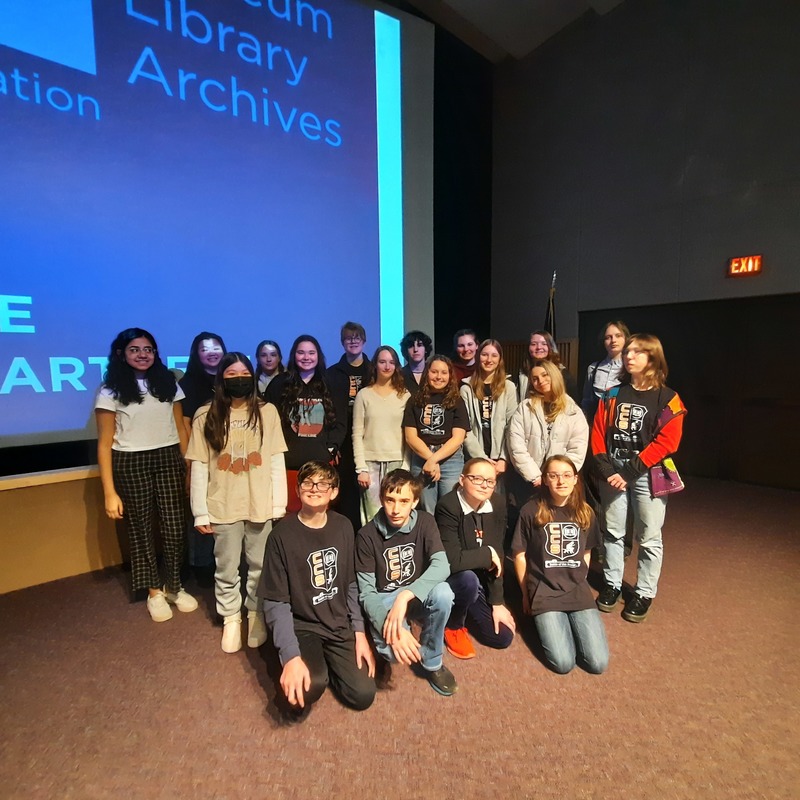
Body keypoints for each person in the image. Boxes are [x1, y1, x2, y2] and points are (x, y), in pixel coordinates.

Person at [186, 352, 288, 653]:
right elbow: (201, 466)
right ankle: (231, 617)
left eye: (244, 373)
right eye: (231, 375)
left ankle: (255, 614)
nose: (239, 379)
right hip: (222, 503)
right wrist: (199, 511)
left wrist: (278, 504)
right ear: (221, 379)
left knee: (259, 565)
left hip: (260, 502)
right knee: (226, 566)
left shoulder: (267, 412)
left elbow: (274, 460)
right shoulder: (206, 415)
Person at [94, 327, 197, 622]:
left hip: (168, 457)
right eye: (135, 350)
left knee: (176, 527)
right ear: (121, 354)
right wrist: (109, 492)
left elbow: (181, 429)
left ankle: (173, 586)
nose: (142, 355)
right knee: (141, 529)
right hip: (129, 462)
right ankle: (154, 592)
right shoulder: (109, 390)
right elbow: (104, 443)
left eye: (148, 349)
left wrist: (189, 468)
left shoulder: (168, 384)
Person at [260, 461, 376, 716]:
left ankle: (327, 665)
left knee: (363, 694)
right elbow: (275, 602)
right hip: (303, 626)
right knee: (307, 690)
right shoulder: (281, 535)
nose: (315, 488)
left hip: (337, 622)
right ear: (298, 488)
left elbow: (352, 584)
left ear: (334, 492)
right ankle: (313, 666)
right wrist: (290, 655)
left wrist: (359, 632)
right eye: (308, 483)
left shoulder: (344, 526)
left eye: (323, 483)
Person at [592, 334, 686, 623]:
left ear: (653, 359)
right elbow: (597, 432)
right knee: (613, 531)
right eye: (628, 352)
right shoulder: (612, 393)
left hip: (648, 470)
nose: (629, 356)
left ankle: (644, 591)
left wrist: (630, 471)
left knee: (648, 535)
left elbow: (667, 441)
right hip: (614, 469)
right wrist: (609, 470)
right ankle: (612, 584)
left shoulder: (668, 398)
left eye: (638, 352)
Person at [355, 469, 457, 696]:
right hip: (385, 598)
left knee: (444, 593)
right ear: (381, 499)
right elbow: (367, 592)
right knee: (393, 654)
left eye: (404, 501)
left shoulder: (425, 522)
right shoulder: (366, 536)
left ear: (415, 501)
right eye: (390, 500)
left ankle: (432, 662)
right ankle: (380, 639)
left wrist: (406, 595)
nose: (396, 509)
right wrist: (389, 627)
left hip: (412, 594)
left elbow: (442, 565)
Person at [512, 455, 609, 674]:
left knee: (597, 663)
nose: (560, 481)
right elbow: (520, 556)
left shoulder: (585, 512)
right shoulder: (531, 510)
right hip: (544, 591)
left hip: (576, 589)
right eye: (553, 476)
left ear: (575, 479)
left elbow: (586, 551)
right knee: (563, 663)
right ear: (545, 479)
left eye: (567, 475)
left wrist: (579, 580)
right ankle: (545, 622)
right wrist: (525, 595)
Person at [435, 459, 515, 659]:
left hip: (481, 575)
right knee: (467, 579)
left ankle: (469, 606)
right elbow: (451, 561)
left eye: (490, 481)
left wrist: (497, 602)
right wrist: (487, 555)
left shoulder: (497, 503)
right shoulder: (448, 506)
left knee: (502, 637)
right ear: (462, 480)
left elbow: (498, 553)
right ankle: (453, 624)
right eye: (477, 478)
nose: (484, 485)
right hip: (454, 576)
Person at [266, 335, 347, 512]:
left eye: (311, 353)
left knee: (318, 515)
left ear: (318, 356)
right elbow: (269, 423)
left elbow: (341, 422)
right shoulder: (279, 384)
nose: (306, 357)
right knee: (289, 517)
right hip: (288, 467)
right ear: (294, 355)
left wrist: (331, 449)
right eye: (301, 353)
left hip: (321, 465)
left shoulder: (332, 383)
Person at [179, 331, 227, 572]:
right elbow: (184, 424)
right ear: (196, 354)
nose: (211, 352)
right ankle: (202, 565)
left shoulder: (230, 379)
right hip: (201, 456)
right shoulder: (187, 384)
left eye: (216, 346)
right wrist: (190, 461)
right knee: (201, 507)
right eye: (204, 348)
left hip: (229, 457)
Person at [507, 359, 589, 498]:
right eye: (535, 378)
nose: (540, 381)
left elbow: (577, 450)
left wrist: (557, 477)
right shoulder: (524, 408)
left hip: (561, 484)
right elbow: (516, 446)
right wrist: (535, 477)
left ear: (555, 375)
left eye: (545, 375)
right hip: (529, 482)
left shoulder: (574, 411)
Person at [352, 345, 410, 525]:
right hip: (370, 465)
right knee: (372, 517)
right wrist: (361, 468)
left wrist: (406, 465)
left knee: (396, 514)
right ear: (375, 365)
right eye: (382, 361)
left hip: (397, 462)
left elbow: (409, 434)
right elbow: (357, 433)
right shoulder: (364, 395)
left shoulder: (404, 395)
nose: (387, 366)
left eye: (391, 362)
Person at [403, 355, 469, 513]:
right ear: (427, 373)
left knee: (450, 507)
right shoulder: (414, 401)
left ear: (450, 376)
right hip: (421, 458)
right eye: (434, 372)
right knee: (427, 508)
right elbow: (410, 437)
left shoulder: (457, 401)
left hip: (451, 460)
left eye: (444, 372)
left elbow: (458, 438)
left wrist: (433, 460)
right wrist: (429, 458)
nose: (439, 376)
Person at [326, 322, 373, 529]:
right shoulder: (332, 373)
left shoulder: (374, 370)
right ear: (342, 342)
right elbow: (327, 411)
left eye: (357, 338)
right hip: (343, 442)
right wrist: (332, 443)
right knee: (347, 494)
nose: (353, 342)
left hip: (370, 438)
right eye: (348, 338)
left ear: (364, 340)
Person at [459, 339, 517, 490]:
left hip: (500, 461)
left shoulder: (508, 387)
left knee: (497, 506)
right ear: (478, 357)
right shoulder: (466, 388)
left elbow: (512, 426)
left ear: (500, 359)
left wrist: (504, 458)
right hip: (475, 458)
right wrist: (481, 458)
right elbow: (465, 427)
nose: (489, 360)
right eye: (484, 355)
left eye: (494, 355)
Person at [580, 321, 630, 421]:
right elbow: (586, 401)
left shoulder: (630, 368)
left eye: (618, 336)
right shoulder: (593, 368)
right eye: (608, 337)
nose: (613, 340)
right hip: (595, 424)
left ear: (626, 339)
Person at [519, 330, 579, 403]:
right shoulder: (522, 373)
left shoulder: (562, 373)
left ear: (550, 347)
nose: (538, 347)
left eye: (544, 344)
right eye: (534, 344)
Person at [399, 329, 432, 396]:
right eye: (411, 346)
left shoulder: (433, 373)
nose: (415, 350)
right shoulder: (399, 375)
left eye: (419, 345)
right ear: (406, 350)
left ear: (426, 349)